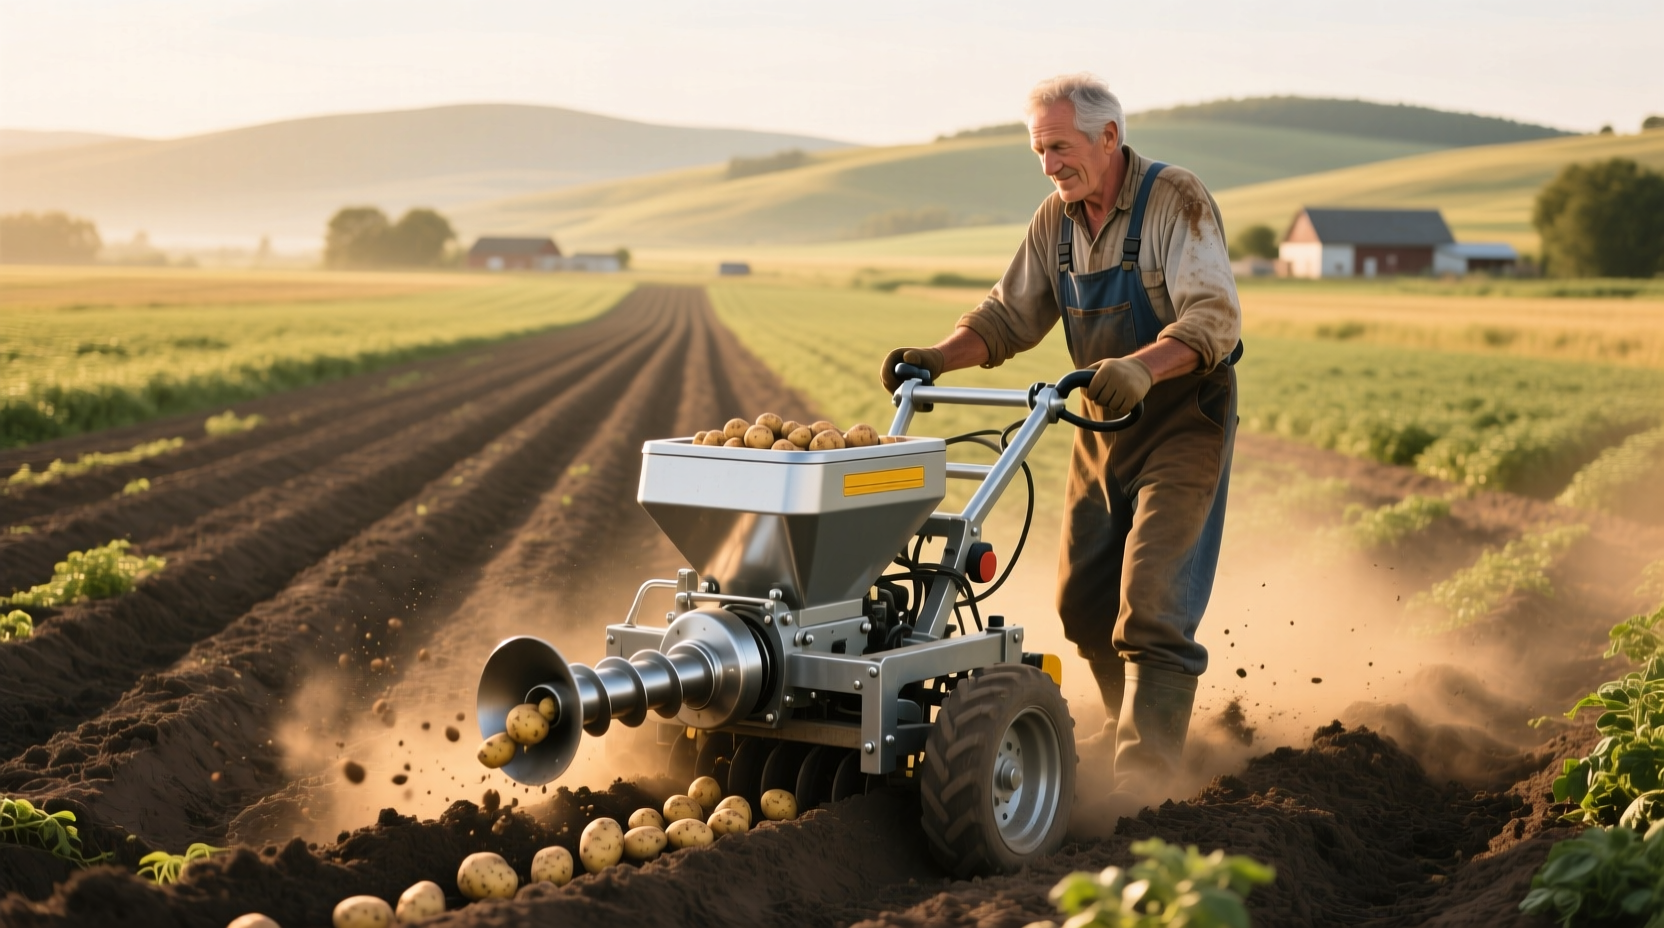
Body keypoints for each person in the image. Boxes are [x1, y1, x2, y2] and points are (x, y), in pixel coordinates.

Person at [880, 73, 1241, 813]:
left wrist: (1145, 367)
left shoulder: (1176, 199)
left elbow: (1213, 319)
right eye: (1039, 150)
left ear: (1109, 137)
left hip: (1182, 422)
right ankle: (1127, 721)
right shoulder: (1057, 221)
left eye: (1061, 146)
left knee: (1152, 603)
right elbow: (1008, 316)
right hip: (1102, 429)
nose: (1049, 163)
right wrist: (938, 357)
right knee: (1081, 605)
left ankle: (1147, 785)